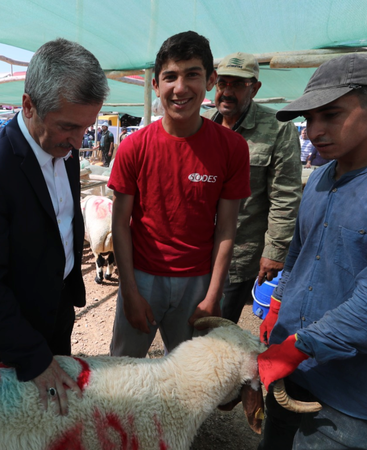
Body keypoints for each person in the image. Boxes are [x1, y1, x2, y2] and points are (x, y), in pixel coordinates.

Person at [0, 38, 109, 416]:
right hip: (11, 332)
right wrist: (32, 357)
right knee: (13, 421)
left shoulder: (64, 152)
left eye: (86, 128)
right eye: (69, 127)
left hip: (56, 311)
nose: (78, 142)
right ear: (29, 105)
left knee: (51, 419)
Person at [108, 31, 251, 357]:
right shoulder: (134, 147)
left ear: (211, 80)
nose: (181, 87)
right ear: (155, 85)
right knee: (121, 372)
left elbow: (227, 227)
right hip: (142, 275)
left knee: (192, 378)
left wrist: (214, 294)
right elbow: (120, 224)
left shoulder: (232, 148)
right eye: (170, 77)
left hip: (198, 282)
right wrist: (129, 292)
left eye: (192, 75)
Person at [257, 53, 367, 450]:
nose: (314, 130)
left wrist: (300, 345)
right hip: (292, 373)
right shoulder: (319, 177)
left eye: (331, 114)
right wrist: (277, 305)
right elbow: (298, 254)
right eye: (309, 118)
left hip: (345, 398)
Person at [203, 52, 302, 323]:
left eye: (238, 84)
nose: (227, 91)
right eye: (223, 83)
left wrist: (275, 250)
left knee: (216, 330)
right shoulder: (201, 125)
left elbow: (285, 195)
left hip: (239, 252)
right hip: (194, 250)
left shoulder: (278, 128)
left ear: (255, 88)